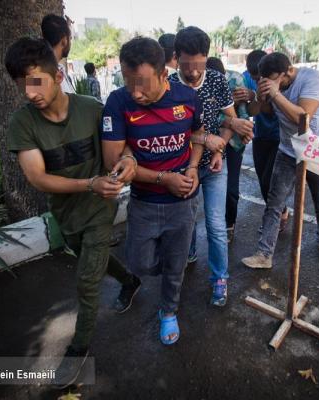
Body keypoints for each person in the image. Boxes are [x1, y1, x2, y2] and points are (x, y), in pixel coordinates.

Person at [4, 37, 140, 387]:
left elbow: (120, 146)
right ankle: (130, 280)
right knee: (91, 260)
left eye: (35, 82)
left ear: (58, 74)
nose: (29, 93)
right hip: (66, 214)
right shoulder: (24, 123)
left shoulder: (92, 108)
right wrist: (88, 184)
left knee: (87, 281)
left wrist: (127, 160)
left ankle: (77, 352)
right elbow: (37, 177)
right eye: (22, 86)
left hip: (99, 208)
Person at [103, 37, 205, 345]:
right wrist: (163, 178)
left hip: (182, 202)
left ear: (164, 74)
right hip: (144, 201)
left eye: (143, 84)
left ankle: (168, 311)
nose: (135, 92)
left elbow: (198, 133)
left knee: (176, 267)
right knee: (140, 263)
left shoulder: (187, 98)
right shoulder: (118, 102)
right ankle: (160, 267)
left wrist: (192, 168)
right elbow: (113, 161)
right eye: (128, 82)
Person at [168, 26, 254, 306]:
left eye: (198, 65)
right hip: (183, 167)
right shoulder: (168, 85)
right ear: (176, 57)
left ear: (207, 57)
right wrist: (208, 136)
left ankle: (220, 278)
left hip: (215, 166)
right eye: (186, 65)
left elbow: (229, 119)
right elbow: (171, 131)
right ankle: (190, 252)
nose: (193, 73)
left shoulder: (217, 80)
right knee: (187, 222)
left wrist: (220, 149)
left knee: (216, 226)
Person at [241, 52, 319, 269]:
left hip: (314, 151)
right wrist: (260, 97)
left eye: (276, 80)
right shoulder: (273, 87)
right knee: (274, 203)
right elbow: (259, 111)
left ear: (289, 71)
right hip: (286, 151)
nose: (275, 86)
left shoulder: (312, 79)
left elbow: (303, 117)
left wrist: (275, 94)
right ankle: (264, 254)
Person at [241, 50, 289, 232]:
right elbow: (252, 110)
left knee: (271, 180)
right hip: (260, 134)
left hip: (279, 136)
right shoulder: (246, 78)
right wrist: (253, 96)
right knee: (262, 180)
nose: (257, 81)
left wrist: (263, 94)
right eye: (254, 77)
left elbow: (272, 110)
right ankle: (281, 211)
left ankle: (275, 218)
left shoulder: (279, 79)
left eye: (260, 78)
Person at [206, 56, 249, 243]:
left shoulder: (236, 79)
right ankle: (214, 228)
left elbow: (242, 114)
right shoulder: (201, 85)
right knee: (211, 188)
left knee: (231, 189)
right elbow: (206, 118)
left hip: (234, 143)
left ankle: (229, 224)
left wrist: (245, 128)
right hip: (208, 141)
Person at [41, 14, 76, 93]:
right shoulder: (40, 72)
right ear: (64, 41)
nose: (70, 43)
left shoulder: (60, 68)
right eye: (70, 38)